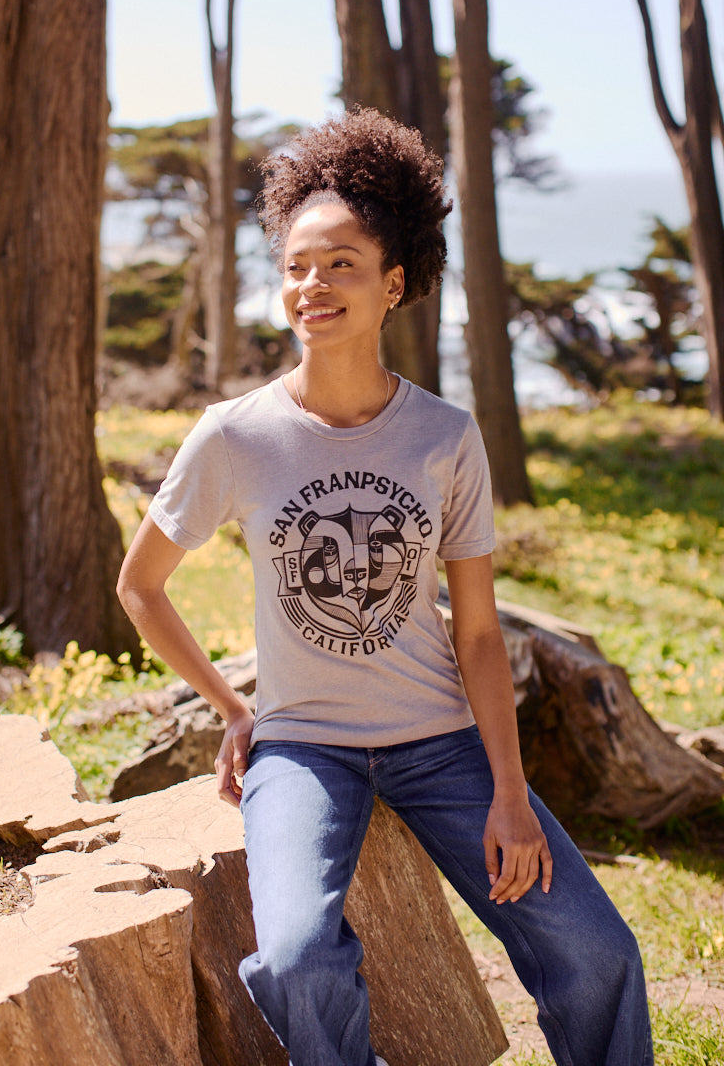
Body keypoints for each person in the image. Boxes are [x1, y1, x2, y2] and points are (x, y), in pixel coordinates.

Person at [117, 108, 653, 1066]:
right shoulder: (233, 435)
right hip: (302, 748)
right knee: (290, 960)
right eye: (295, 265)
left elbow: (480, 636)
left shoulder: (444, 437)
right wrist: (233, 708)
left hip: (440, 741)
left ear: (393, 283)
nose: (311, 285)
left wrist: (509, 789)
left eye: (341, 264)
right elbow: (141, 586)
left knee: (598, 950)